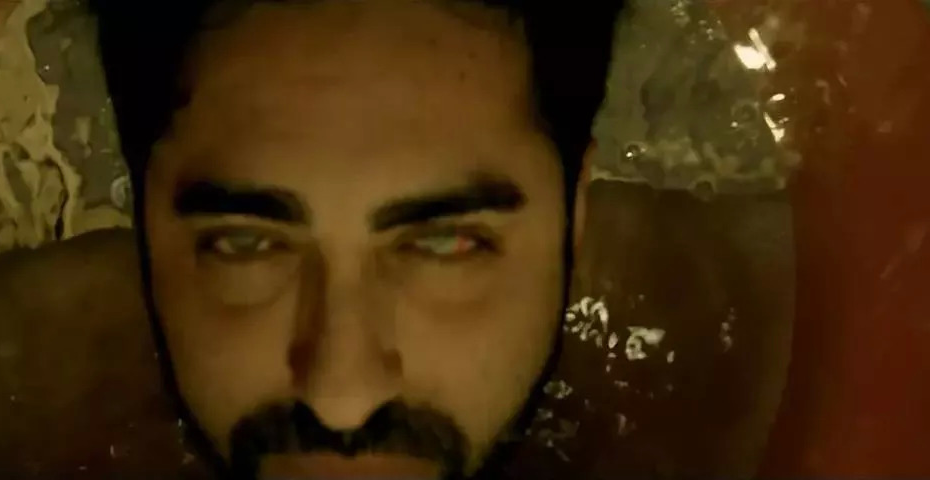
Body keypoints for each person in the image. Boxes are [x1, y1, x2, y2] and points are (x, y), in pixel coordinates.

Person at [85, 0, 622, 479]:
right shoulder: (49, 393)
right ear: (141, 215)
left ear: (573, 217)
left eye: (447, 245)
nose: (342, 401)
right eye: (244, 244)